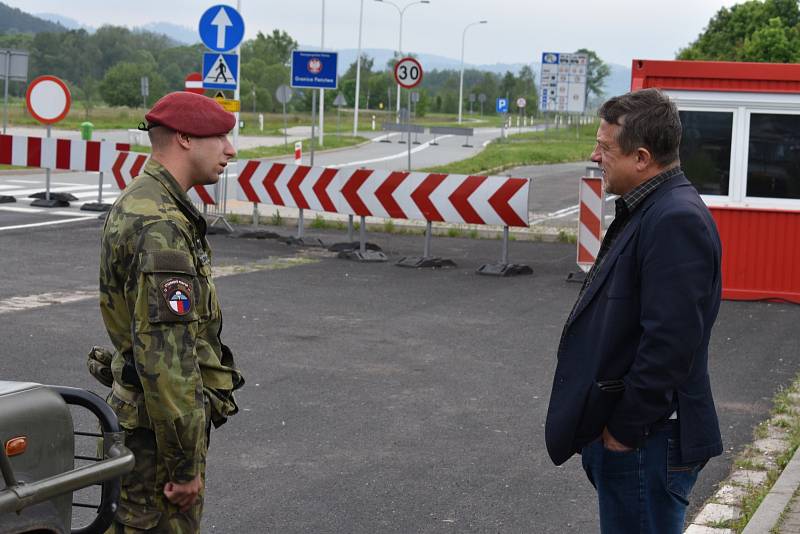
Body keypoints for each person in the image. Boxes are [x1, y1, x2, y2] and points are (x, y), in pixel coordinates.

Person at [545, 88, 723, 533]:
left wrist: (623, 432)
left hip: (647, 440)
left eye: (605, 147)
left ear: (642, 157)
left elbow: (670, 343)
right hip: (643, 438)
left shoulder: (673, 219)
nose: (594, 154)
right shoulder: (651, 208)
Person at [98, 91, 244, 532]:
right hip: (157, 444)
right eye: (219, 137)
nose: (230, 150)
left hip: (144, 427)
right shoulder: (161, 224)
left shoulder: (144, 201)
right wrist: (183, 467)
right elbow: (167, 359)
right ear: (183, 138)